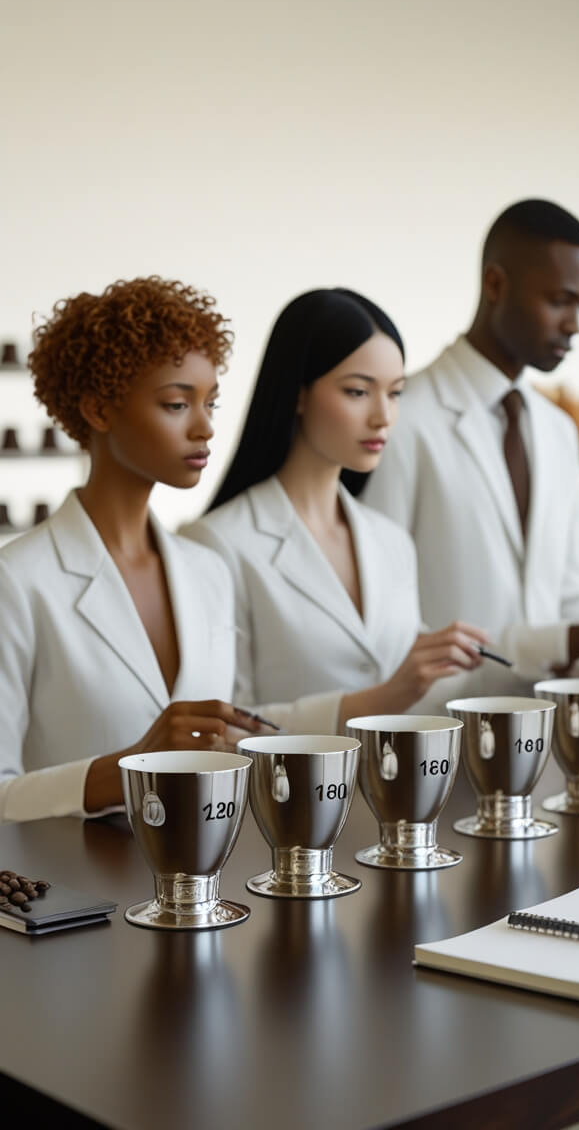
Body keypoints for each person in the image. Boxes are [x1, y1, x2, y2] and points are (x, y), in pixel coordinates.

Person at [363, 199, 579, 692]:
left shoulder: (556, 431)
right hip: (437, 742)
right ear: (495, 285)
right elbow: (381, 629)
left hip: (548, 747)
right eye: (559, 300)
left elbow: (573, 606)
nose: (574, 323)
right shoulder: (402, 420)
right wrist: (572, 641)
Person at [0, 276, 265, 824]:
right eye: (176, 403)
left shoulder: (209, 570)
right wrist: (129, 767)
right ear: (99, 410)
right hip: (71, 898)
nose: (205, 428)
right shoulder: (17, 581)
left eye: (210, 402)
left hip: (210, 888)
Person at [183, 288, 488, 733]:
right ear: (299, 393)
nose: (384, 416)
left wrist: (443, 662)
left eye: (396, 393)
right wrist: (382, 698)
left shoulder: (391, 541)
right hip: (286, 800)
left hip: (398, 798)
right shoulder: (216, 544)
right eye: (358, 391)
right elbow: (222, 725)